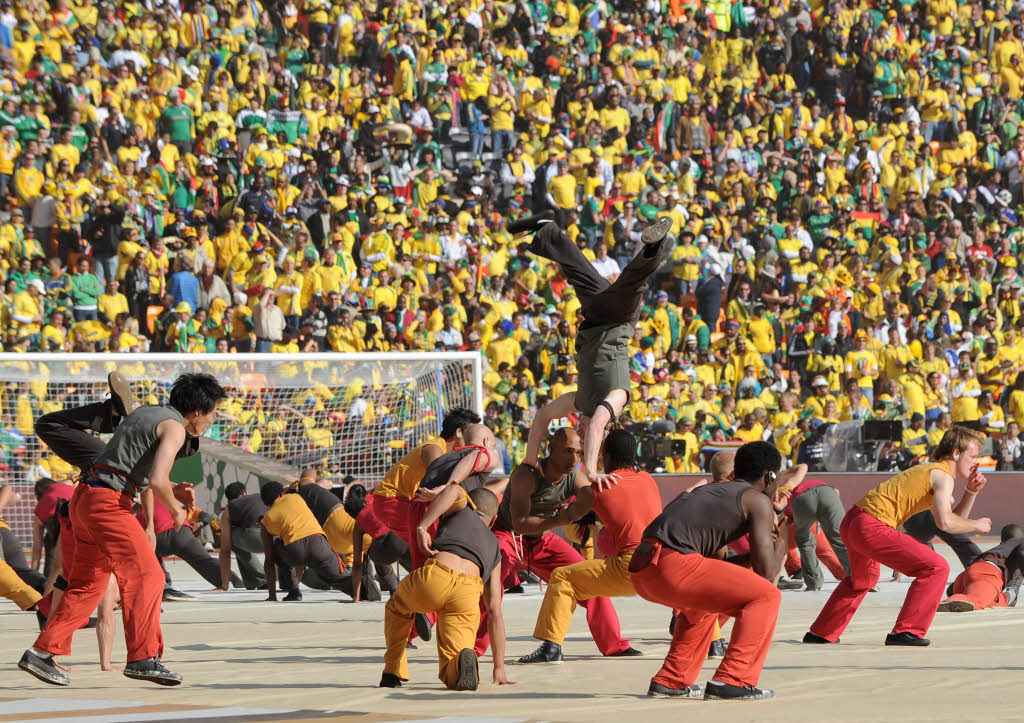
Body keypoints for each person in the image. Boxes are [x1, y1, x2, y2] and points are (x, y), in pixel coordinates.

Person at [19, 372, 227, 687]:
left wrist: (168, 492)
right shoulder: (175, 428)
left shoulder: (146, 413)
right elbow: (157, 479)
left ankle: (42, 653)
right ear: (198, 410)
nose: (212, 419)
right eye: (213, 412)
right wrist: (174, 507)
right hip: (109, 503)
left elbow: (135, 470)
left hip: (86, 499)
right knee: (149, 575)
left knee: (88, 586)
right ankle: (143, 657)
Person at [511, 212, 672, 485]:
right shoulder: (617, 400)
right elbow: (597, 423)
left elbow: (542, 417)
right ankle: (654, 247)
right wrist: (592, 471)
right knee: (633, 283)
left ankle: (546, 229)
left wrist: (530, 459)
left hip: (595, 317)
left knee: (577, 270)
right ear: (609, 430)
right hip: (619, 319)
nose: (581, 434)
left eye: (580, 437)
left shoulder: (578, 401)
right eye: (585, 439)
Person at [804, 426, 991, 647]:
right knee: (936, 567)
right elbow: (946, 523)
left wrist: (971, 492)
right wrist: (976, 524)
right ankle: (906, 632)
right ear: (956, 454)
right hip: (871, 524)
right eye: (973, 455)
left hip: (853, 521)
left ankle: (821, 633)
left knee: (862, 579)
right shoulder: (942, 476)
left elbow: (953, 519)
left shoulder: (931, 471)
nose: (975, 462)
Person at [630, 441, 787, 700]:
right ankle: (733, 680)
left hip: (642, 567)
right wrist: (784, 532)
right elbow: (767, 574)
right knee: (767, 596)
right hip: (674, 565)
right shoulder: (757, 500)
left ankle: (671, 680)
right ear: (770, 476)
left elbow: (715, 568)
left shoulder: (710, 492)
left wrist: (749, 557)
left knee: (704, 604)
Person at [476, 427, 638, 659]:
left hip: (542, 539)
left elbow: (592, 499)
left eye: (579, 453)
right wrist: (561, 518)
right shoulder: (526, 474)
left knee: (592, 581)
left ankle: (615, 645)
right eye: (567, 451)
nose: (574, 459)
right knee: (489, 588)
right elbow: (520, 524)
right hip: (508, 536)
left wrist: (595, 499)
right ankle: (473, 649)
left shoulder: (575, 475)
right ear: (550, 450)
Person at [514, 428, 662, 665]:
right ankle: (714, 641)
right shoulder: (648, 479)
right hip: (662, 563)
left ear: (607, 456)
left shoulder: (600, 488)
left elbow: (568, 515)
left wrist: (567, 507)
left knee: (563, 577)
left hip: (631, 567)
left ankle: (551, 647)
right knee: (686, 591)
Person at [381, 487, 513, 691]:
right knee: (454, 658)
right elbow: (495, 610)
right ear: (493, 520)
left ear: (471, 503)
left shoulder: (461, 510)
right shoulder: (494, 546)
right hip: (468, 592)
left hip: (437, 576)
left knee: (397, 607)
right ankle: (460, 665)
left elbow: (453, 489)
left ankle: (392, 671)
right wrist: (499, 667)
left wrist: (422, 527)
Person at [287, 470, 378, 598]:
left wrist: (294, 587)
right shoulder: (307, 488)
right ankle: (377, 585)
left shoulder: (293, 506)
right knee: (374, 549)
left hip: (330, 537)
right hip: (337, 521)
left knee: (325, 564)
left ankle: (357, 587)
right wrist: (303, 480)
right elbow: (310, 472)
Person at [259, 481, 353, 602]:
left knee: (277, 546)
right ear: (281, 493)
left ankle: (293, 591)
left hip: (295, 550)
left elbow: (269, 562)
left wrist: (272, 595)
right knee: (336, 577)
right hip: (318, 543)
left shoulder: (267, 519)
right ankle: (363, 590)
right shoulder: (295, 497)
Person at [781, 471, 852, 591]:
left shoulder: (783, 498)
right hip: (828, 492)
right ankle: (861, 577)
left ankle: (814, 582)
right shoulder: (790, 486)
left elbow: (787, 524)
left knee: (805, 542)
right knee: (840, 538)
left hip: (802, 500)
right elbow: (836, 492)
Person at [347, 485, 415, 606]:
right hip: (399, 537)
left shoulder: (358, 524)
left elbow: (357, 564)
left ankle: (393, 588)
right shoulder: (374, 498)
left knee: (373, 551)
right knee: (416, 567)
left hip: (383, 548)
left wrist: (356, 598)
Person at [937, 524, 1024, 613]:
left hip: (971, 570)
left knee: (988, 598)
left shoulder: (1001, 548)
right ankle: (1009, 596)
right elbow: (1022, 552)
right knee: (977, 600)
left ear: (1002, 543)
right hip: (989, 573)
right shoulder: (1021, 542)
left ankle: (1007, 597)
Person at [218, 481, 269, 590]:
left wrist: (224, 585)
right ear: (245, 492)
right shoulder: (261, 497)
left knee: (231, 536)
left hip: (253, 538)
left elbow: (225, 551)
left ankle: (260, 580)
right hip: (275, 538)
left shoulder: (230, 508)